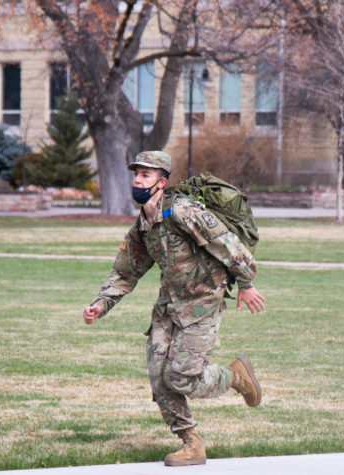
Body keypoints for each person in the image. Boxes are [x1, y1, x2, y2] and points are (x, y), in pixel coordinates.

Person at [82, 151, 266, 467]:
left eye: (146, 175)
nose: (138, 180)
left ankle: (236, 377)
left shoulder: (184, 212)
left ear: (161, 182)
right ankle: (191, 442)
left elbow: (229, 246)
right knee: (159, 377)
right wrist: (101, 304)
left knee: (181, 377)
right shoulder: (143, 225)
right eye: (136, 174)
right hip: (168, 308)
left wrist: (246, 284)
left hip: (202, 305)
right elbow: (127, 271)